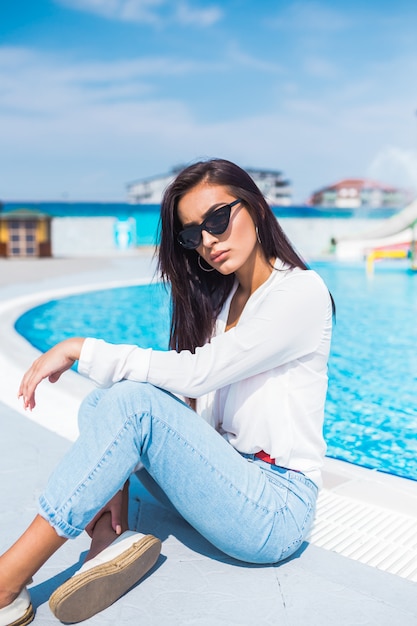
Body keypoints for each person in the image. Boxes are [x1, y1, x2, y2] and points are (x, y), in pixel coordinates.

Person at [0, 158, 333, 625]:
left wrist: (82, 349)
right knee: (103, 401)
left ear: (256, 206)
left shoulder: (300, 293)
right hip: (231, 480)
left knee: (133, 403)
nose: (209, 241)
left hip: (275, 510)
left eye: (218, 219)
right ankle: (106, 541)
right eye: (193, 234)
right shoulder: (224, 305)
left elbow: (200, 374)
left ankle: (6, 582)